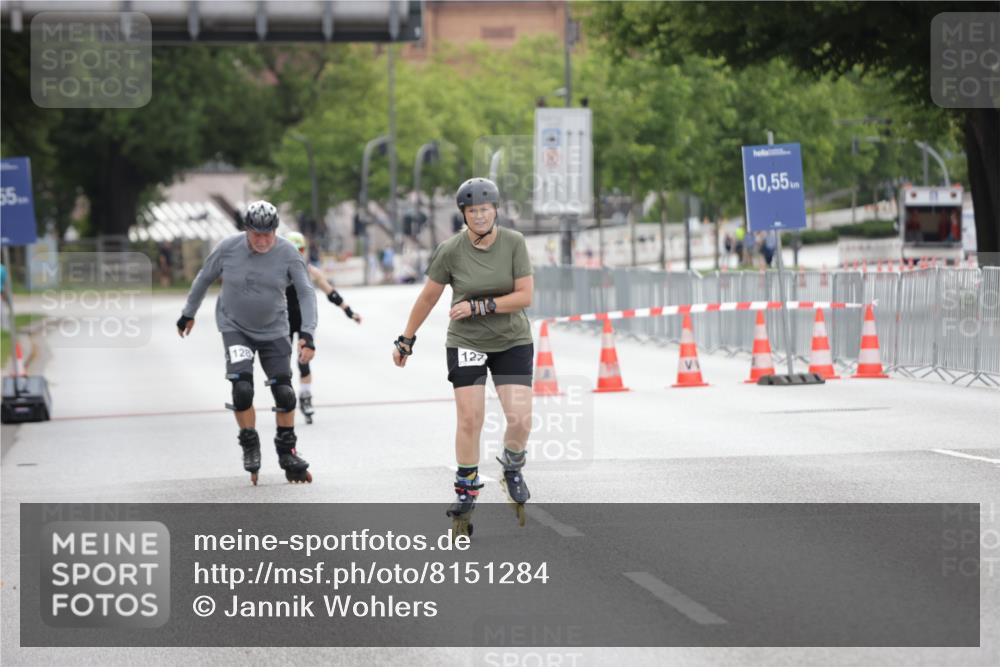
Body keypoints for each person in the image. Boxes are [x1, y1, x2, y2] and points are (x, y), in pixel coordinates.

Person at [392, 177, 535, 537]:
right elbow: (428, 297)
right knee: (470, 418)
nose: (480, 216)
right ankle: (466, 487)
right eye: (473, 211)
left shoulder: (514, 243)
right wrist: (407, 338)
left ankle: (512, 467)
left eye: (486, 209)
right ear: (464, 214)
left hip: (511, 339)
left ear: (495, 210)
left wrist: (480, 305)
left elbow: (524, 296)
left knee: (520, 418)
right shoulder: (451, 249)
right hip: (466, 341)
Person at [177, 201, 318, 485]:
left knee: (285, 393)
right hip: (235, 327)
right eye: (257, 235)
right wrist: (188, 313)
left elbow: (306, 292)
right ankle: (249, 443)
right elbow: (204, 279)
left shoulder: (288, 253)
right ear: (246, 230)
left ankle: (287, 452)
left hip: (275, 329)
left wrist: (308, 333)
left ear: (276, 231)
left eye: (269, 234)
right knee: (242, 388)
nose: (263, 241)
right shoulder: (227, 248)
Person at [283, 231, 362, 424]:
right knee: (281, 364)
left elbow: (331, 293)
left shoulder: (310, 271)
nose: (297, 254)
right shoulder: (277, 271)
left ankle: (305, 398)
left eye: (300, 249)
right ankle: (284, 396)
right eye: (293, 250)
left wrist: (349, 312)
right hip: (282, 321)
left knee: (303, 361)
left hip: (303, 321)